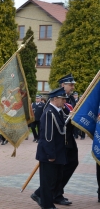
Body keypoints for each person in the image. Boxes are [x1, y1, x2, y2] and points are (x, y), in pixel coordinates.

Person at [31, 87, 68, 209]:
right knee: (48, 182)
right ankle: (47, 205)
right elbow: (48, 136)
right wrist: (51, 155)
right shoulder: (49, 113)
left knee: (55, 180)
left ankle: (46, 201)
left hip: (57, 152)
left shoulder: (58, 111)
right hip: (49, 154)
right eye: (63, 99)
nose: (64, 101)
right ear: (55, 99)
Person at [54, 74, 78, 205]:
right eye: (71, 85)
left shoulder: (70, 99)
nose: (73, 87)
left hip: (69, 138)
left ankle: (58, 190)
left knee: (73, 163)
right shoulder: (57, 98)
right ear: (63, 85)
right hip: (61, 139)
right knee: (61, 167)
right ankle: (56, 193)